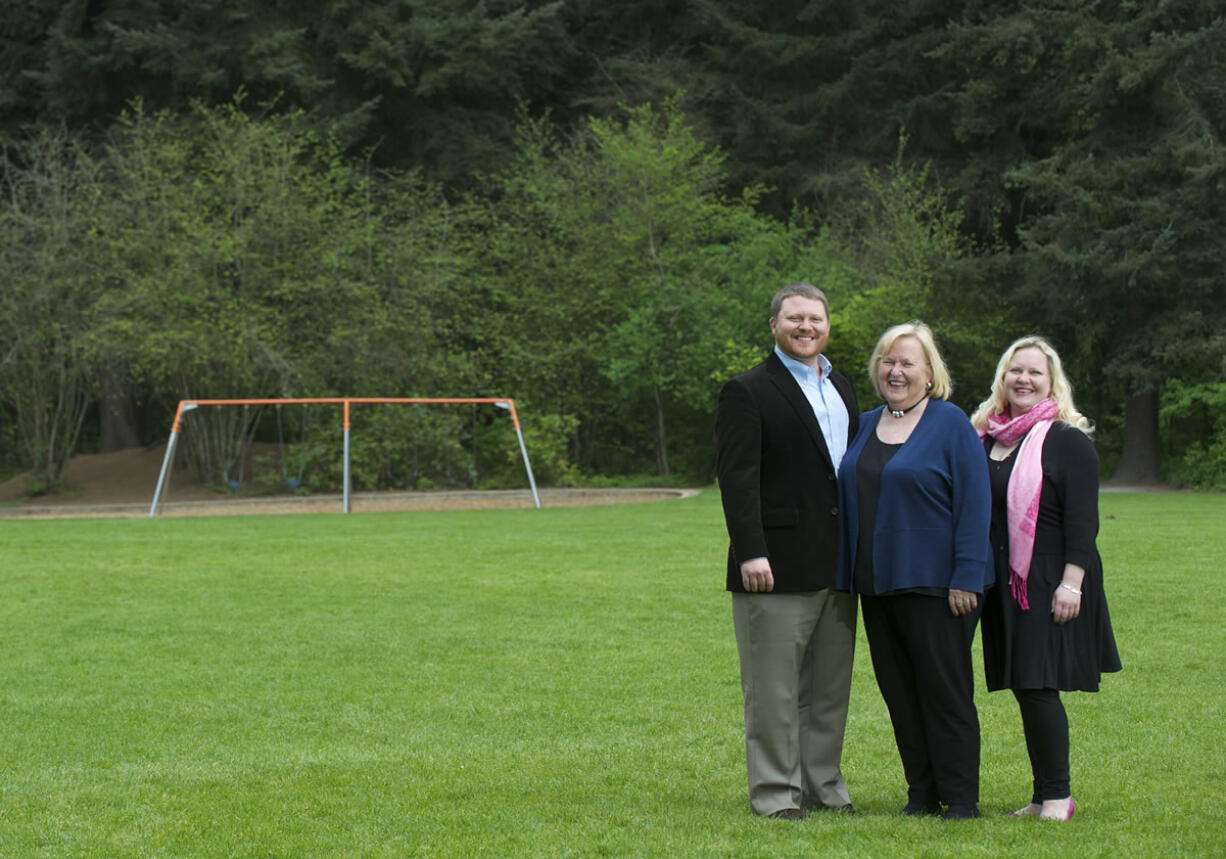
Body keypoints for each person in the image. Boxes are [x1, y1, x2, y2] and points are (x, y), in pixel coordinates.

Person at [834, 321, 992, 820]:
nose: (895, 371)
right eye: (888, 361)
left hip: (938, 587)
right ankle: (921, 794)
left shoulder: (950, 425)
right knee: (900, 696)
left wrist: (967, 576)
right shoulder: (862, 424)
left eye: (907, 362)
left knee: (944, 694)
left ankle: (961, 799)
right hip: (876, 586)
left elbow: (975, 504)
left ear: (930, 373)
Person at [715, 282, 860, 820]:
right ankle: (777, 794)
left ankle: (823, 784)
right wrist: (751, 551)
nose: (806, 327)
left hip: (838, 565)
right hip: (772, 567)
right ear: (773, 325)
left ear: (828, 326)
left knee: (827, 690)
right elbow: (737, 478)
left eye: (815, 319)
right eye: (795, 318)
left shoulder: (842, 385)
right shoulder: (747, 390)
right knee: (774, 692)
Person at [971, 336, 1122, 822]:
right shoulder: (987, 438)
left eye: (1035, 372)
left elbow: (1084, 522)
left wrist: (1071, 583)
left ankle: (1058, 797)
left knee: (1038, 685)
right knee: (1024, 685)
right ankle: (1040, 797)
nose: (1024, 380)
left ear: (1052, 381)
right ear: (1003, 377)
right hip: (1004, 580)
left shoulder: (1067, 440)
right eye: (1016, 371)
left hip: (1051, 578)